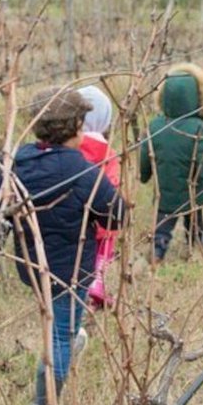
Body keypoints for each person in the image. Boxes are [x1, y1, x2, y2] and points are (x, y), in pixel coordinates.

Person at [0, 87, 124, 405]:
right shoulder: (85, 171)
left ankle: (67, 349)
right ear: (77, 127)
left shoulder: (16, 165)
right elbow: (116, 216)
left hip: (33, 266)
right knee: (61, 334)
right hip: (71, 270)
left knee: (56, 324)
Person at [140, 62, 203, 260]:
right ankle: (195, 248)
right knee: (195, 224)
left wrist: (144, 175)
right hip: (192, 194)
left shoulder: (155, 126)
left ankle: (157, 253)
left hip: (164, 194)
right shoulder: (198, 128)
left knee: (162, 228)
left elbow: (145, 156)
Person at [77, 84, 120, 309]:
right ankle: (97, 285)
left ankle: (82, 287)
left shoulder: (70, 147)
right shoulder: (108, 153)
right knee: (102, 253)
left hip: (75, 218)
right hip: (103, 220)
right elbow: (112, 185)